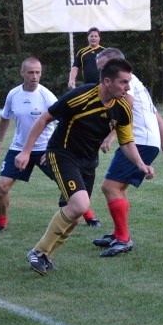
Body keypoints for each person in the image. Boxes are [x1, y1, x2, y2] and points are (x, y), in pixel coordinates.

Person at [15, 58, 154, 276]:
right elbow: (44, 119)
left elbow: (127, 141)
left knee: (74, 216)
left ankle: (46, 257)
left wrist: (140, 164)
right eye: (123, 82)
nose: (128, 87)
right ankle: (38, 252)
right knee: (80, 205)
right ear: (107, 82)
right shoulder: (80, 96)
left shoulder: (122, 108)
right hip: (63, 154)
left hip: (89, 162)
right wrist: (26, 151)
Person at [93, 48, 163, 257]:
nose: (101, 73)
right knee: (118, 188)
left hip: (138, 141)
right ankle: (118, 234)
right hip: (146, 141)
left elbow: (127, 107)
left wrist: (110, 136)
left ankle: (123, 239)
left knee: (110, 187)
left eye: (103, 68)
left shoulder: (125, 85)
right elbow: (156, 115)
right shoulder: (135, 83)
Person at [0, 57, 57, 234]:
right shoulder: (13, 94)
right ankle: (1, 223)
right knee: (2, 187)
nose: (35, 76)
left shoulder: (47, 96)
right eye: (31, 72)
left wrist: (52, 149)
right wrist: (0, 141)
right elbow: (5, 118)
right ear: (22, 73)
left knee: (69, 183)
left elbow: (63, 124)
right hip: (18, 148)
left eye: (38, 72)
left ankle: (89, 216)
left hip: (44, 150)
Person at [67, 26, 105, 228]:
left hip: (101, 88)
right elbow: (75, 68)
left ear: (99, 38)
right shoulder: (82, 52)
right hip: (87, 88)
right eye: (91, 36)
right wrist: (72, 80)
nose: (93, 38)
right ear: (88, 38)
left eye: (96, 36)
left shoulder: (104, 52)